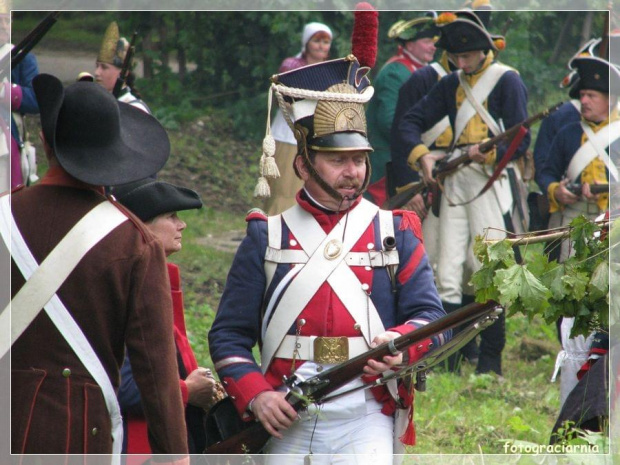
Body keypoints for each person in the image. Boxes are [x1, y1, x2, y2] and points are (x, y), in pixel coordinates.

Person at [209, 56, 449, 463]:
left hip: (367, 411)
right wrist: (258, 395)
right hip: (286, 413)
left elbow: (430, 316)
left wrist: (401, 346)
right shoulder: (265, 235)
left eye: (358, 159)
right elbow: (229, 336)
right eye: (338, 160)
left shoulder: (396, 231)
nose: (352, 172)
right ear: (303, 165)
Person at [5, 73, 188, 459]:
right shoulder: (135, 242)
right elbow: (157, 377)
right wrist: (176, 455)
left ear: (44, 142)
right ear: (116, 153)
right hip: (78, 441)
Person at [397, 10, 531, 376]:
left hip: (490, 183)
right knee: (447, 266)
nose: (460, 61)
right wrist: (422, 155)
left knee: (493, 268)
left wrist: (490, 155)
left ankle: (490, 362)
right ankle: (449, 360)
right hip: (453, 181)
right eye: (456, 56)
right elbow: (410, 122)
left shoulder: (507, 81)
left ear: (483, 50)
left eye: (466, 55)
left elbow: (521, 139)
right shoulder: (449, 83)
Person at [112, 178, 227, 458]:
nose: (182, 224)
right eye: (171, 216)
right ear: (142, 226)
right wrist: (188, 390)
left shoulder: (153, 279)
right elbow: (125, 390)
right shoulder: (127, 288)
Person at [537, 55, 620, 407]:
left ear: (611, 99)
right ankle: (576, 375)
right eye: (582, 93)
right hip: (574, 227)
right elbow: (545, 170)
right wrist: (557, 190)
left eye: (593, 95)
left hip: (614, 231)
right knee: (572, 303)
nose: (584, 100)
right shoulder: (570, 131)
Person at [364, 12, 438, 207]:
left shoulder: (422, 71)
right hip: (387, 162)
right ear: (409, 43)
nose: (433, 46)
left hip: (409, 157)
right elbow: (389, 122)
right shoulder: (395, 72)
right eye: (427, 41)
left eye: (434, 41)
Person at [260, 21, 333, 216]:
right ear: (307, 42)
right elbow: (284, 99)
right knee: (283, 188)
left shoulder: (331, 70)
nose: (321, 46)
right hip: (289, 134)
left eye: (325, 42)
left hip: (316, 136)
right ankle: (272, 230)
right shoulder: (291, 66)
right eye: (317, 40)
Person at [0, 6, 40, 189]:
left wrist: (4, 91)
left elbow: (35, 99)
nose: (4, 26)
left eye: (7, 20)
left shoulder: (23, 58)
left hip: (7, 144)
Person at [93, 21, 150, 113]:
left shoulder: (136, 109)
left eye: (104, 67)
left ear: (123, 73)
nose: (97, 72)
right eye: (97, 66)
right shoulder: (96, 104)